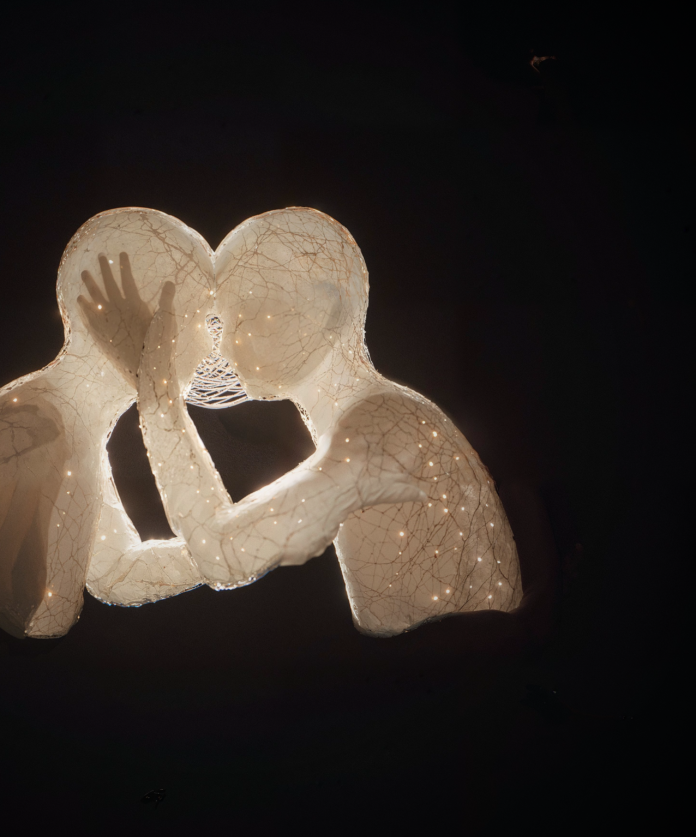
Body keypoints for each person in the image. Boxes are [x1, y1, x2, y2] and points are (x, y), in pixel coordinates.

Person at [136, 207, 523, 635]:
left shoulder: (386, 426)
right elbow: (209, 552)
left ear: (324, 311)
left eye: (248, 314)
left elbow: (223, 555)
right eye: (224, 322)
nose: (224, 344)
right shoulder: (375, 418)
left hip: (458, 669)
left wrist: (156, 391)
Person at [0, 208, 217, 638]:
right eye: (197, 321)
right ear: (134, 315)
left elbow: (116, 571)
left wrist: (222, 552)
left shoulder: (72, 424)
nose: (208, 347)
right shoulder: (35, 427)